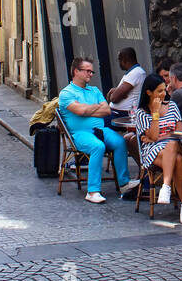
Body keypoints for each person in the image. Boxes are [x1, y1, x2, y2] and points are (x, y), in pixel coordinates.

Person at [58, 58, 140, 204]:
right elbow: (80, 110)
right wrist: (94, 107)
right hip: (80, 133)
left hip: (100, 130)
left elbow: (107, 110)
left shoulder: (94, 90)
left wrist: (87, 110)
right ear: (76, 71)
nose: (91, 74)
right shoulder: (66, 93)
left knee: (120, 142)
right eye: (87, 71)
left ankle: (124, 184)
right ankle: (92, 191)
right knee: (98, 147)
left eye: (92, 71)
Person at [132, 74, 182, 223]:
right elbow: (152, 136)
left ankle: (166, 186)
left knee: (172, 143)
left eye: (164, 90)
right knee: (177, 159)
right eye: (159, 91)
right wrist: (156, 114)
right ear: (149, 93)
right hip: (153, 152)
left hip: (175, 145)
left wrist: (159, 137)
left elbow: (178, 132)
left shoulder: (172, 106)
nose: (164, 94)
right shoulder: (142, 112)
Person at [106, 48, 147, 125]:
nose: (119, 63)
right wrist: (117, 91)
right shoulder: (133, 73)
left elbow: (114, 98)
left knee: (95, 123)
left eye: (119, 60)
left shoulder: (136, 73)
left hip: (121, 115)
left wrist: (114, 93)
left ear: (124, 60)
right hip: (116, 113)